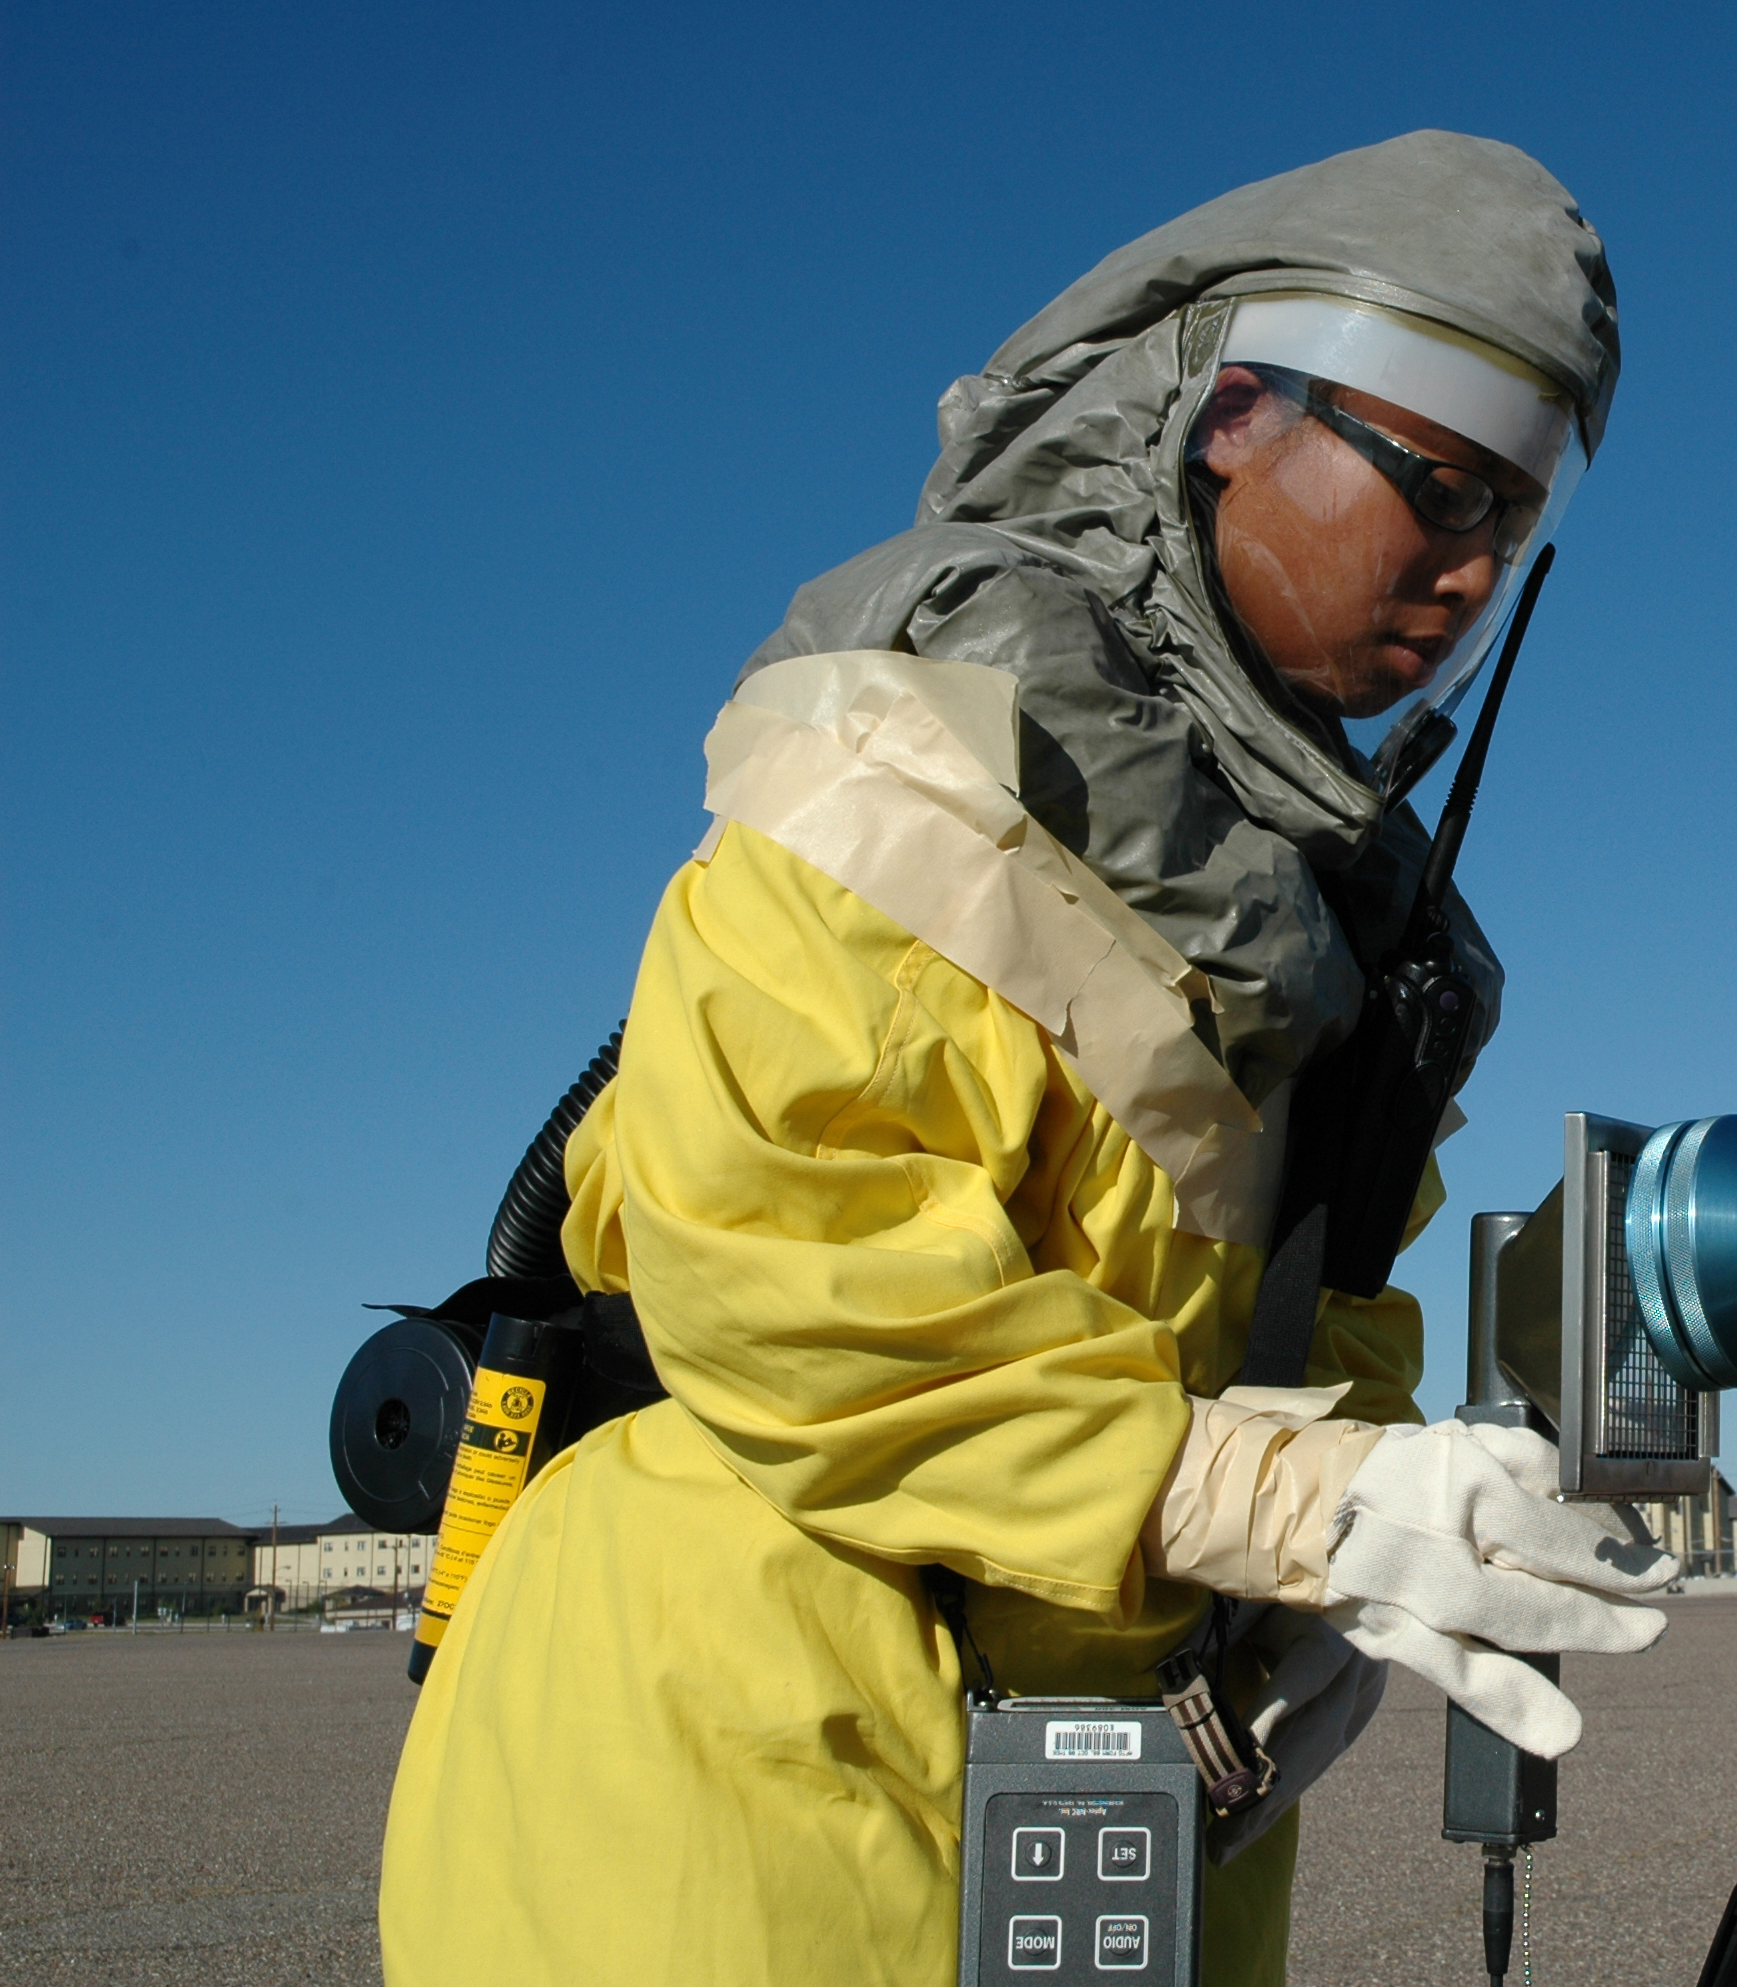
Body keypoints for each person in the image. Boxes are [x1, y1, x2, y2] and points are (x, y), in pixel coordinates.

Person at [379, 132, 1667, 1986]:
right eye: (1439, 491)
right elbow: (800, 1297)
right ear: (1233, 414)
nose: (1468, 578)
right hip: (725, 1799)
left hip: (1118, 1804)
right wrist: (1283, 1508)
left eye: (1511, 529)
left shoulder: (1333, 940)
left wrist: (1322, 1559)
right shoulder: (910, 772)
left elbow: (1314, 1321)